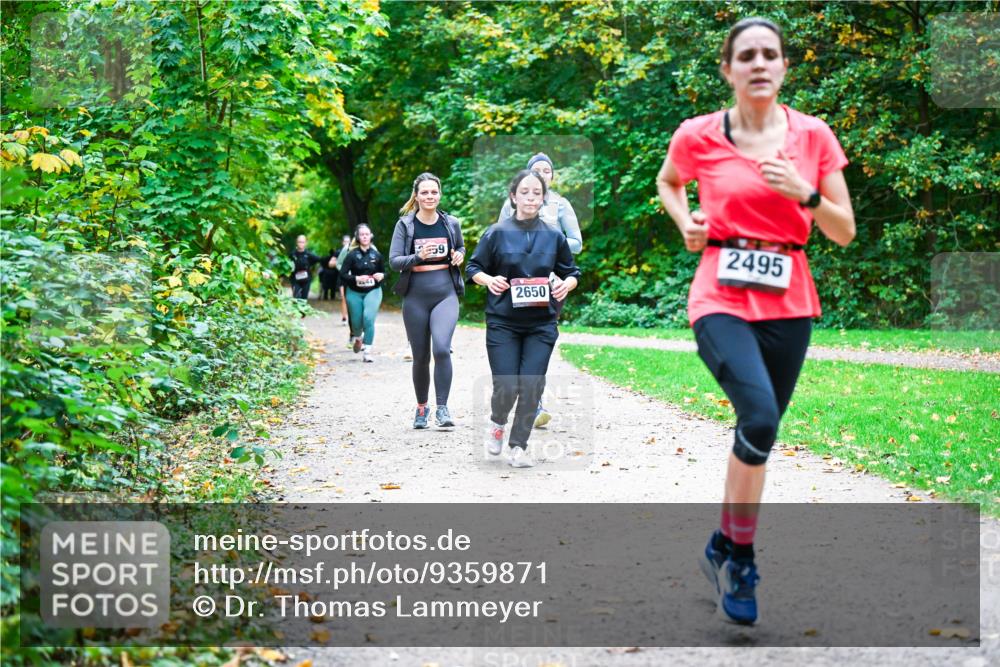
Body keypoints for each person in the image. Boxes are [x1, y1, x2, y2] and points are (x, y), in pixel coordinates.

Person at [656, 17, 855, 625]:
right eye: (747, 55)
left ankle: (723, 542)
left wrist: (805, 193)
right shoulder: (698, 135)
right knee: (760, 414)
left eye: (771, 54)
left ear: (785, 67)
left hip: (790, 299)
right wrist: (685, 220)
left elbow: (843, 231)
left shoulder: (814, 137)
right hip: (719, 293)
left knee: (758, 435)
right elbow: (669, 181)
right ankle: (741, 558)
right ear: (728, 69)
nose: (760, 63)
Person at [467, 170, 580, 468]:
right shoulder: (496, 232)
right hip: (503, 322)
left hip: (541, 323)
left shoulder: (554, 236)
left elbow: (572, 274)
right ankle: (497, 422)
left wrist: (564, 285)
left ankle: (519, 446)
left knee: (532, 384)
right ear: (513, 196)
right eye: (525, 192)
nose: (530, 197)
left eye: (536, 193)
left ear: (543, 198)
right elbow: (473, 268)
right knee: (507, 385)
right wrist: (489, 280)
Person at [498, 152, 583, 429]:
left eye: (547, 171)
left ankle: (534, 404)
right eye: (537, 170)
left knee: (539, 341)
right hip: (518, 282)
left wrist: (548, 240)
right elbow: (499, 237)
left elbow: (576, 243)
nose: (543, 174)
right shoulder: (511, 204)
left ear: (552, 176)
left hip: (551, 283)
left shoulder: (561, 205)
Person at [389, 173, 466, 429]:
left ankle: (443, 408)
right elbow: (394, 261)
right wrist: (417, 256)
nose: (430, 197)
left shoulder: (450, 223)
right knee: (420, 356)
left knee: (442, 349)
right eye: (425, 193)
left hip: (445, 293)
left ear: (439, 194)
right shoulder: (406, 225)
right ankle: (422, 408)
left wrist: (459, 256)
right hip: (415, 297)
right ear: (417, 196)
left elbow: (462, 248)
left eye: (434, 192)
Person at [339, 224, 386, 362]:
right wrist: (356, 278)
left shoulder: (376, 255)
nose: (365, 237)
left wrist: (381, 275)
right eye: (362, 234)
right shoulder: (351, 255)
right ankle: (358, 337)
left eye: (367, 234)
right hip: (354, 292)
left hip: (373, 290)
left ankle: (368, 351)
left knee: (368, 317)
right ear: (358, 237)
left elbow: (384, 272)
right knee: (357, 322)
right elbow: (342, 274)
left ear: (371, 236)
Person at [289, 235, 330, 300]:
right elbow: (286, 266)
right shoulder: (292, 254)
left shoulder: (309, 254)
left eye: (302, 242)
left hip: (306, 279)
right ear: (296, 242)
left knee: (304, 299)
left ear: (305, 243)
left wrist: (331, 259)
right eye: (299, 242)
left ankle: (303, 309)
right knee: (296, 298)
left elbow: (320, 259)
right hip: (295, 279)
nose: (301, 244)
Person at [336, 234, 351, 324]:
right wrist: (344, 271)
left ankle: (352, 317)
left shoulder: (353, 250)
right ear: (342, 242)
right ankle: (344, 317)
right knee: (343, 298)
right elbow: (335, 263)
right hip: (342, 277)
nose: (346, 243)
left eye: (348, 241)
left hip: (352, 278)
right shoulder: (339, 252)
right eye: (345, 241)